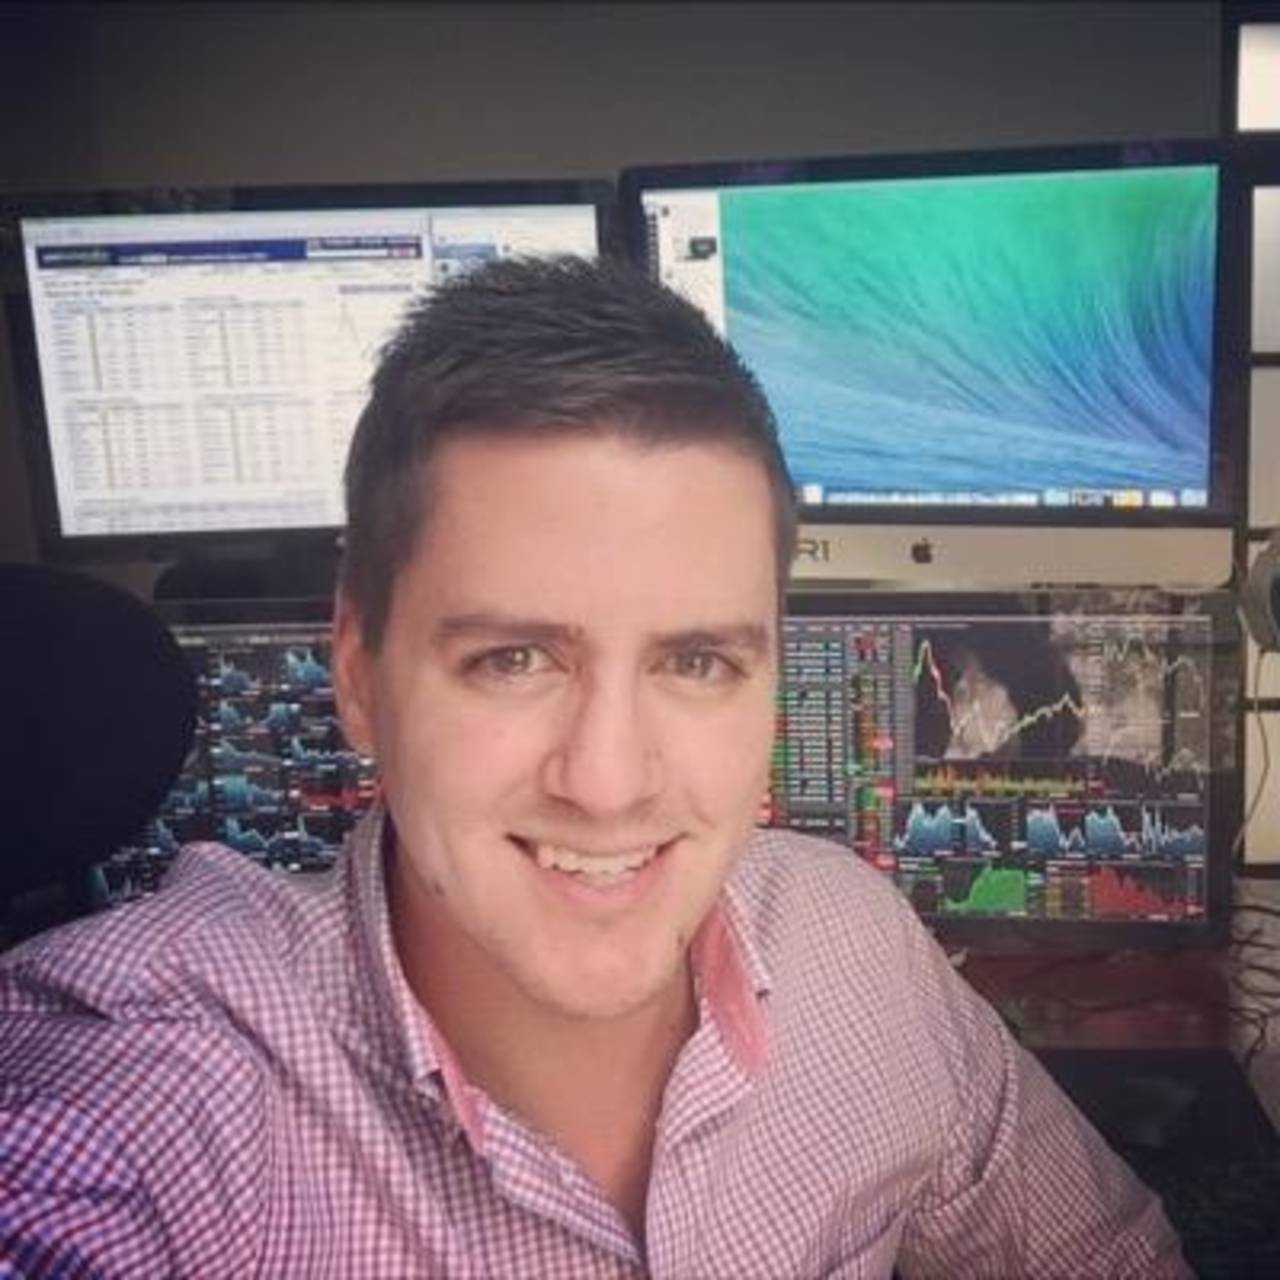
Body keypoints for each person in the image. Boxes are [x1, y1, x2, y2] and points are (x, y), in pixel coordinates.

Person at [0, 257, 1187, 1277]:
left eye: (697, 660)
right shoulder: (150, 1088)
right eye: (512, 658)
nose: (609, 782)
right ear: (358, 674)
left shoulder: (850, 943)